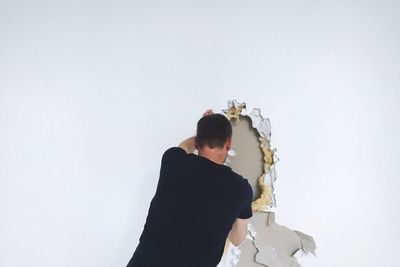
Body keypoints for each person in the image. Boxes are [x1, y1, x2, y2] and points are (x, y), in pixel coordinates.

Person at [126, 109, 253, 267]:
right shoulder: (241, 189)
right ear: (228, 143)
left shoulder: (173, 161)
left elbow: (184, 146)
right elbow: (237, 239)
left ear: (198, 141)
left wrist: (204, 132)